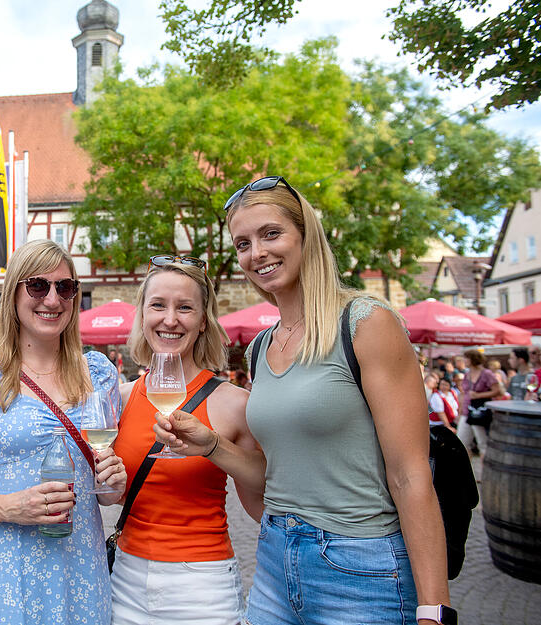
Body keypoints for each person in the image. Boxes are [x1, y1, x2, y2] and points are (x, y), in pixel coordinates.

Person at [171, 175, 451, 624]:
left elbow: (410, 474)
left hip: (362, 564)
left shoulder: (365, 323)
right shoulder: (261, 347)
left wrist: (435, 609)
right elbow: (275, 477)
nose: (255, 253)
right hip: (275, 560)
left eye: (270, 234)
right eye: (242, 244)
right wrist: (211, 445)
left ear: (306, 235)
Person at [0, 239, 128, 625]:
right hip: (2, 565)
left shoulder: (99, 373)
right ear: (15, 294)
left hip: (80, 566)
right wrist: (8, 507)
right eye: (38, 286)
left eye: (66, 287)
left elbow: (106, 493)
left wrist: (113, 482)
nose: (53, 300)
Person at [112, 254, 264, 625]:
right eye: (158, 306)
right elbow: (113, 494)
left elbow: (261, 496)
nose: (170, 319)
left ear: (202, 322)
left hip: (203, 585)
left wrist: (214, 447)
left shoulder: (234, 404)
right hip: (125, 579)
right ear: (143, 315)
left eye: (185, 308)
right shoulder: (120, 398)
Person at [457, 349, 502, 457]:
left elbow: (497, 391)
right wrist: (460, 410)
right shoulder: (467, 374)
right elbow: (464, 393)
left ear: (473, 359)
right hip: (467, 411)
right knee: (461, 443)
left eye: (466, 358)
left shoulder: (486, 373)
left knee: (482, 442)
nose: (464, 360)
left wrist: (479, 395)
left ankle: (484, 470)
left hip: (479, 411)